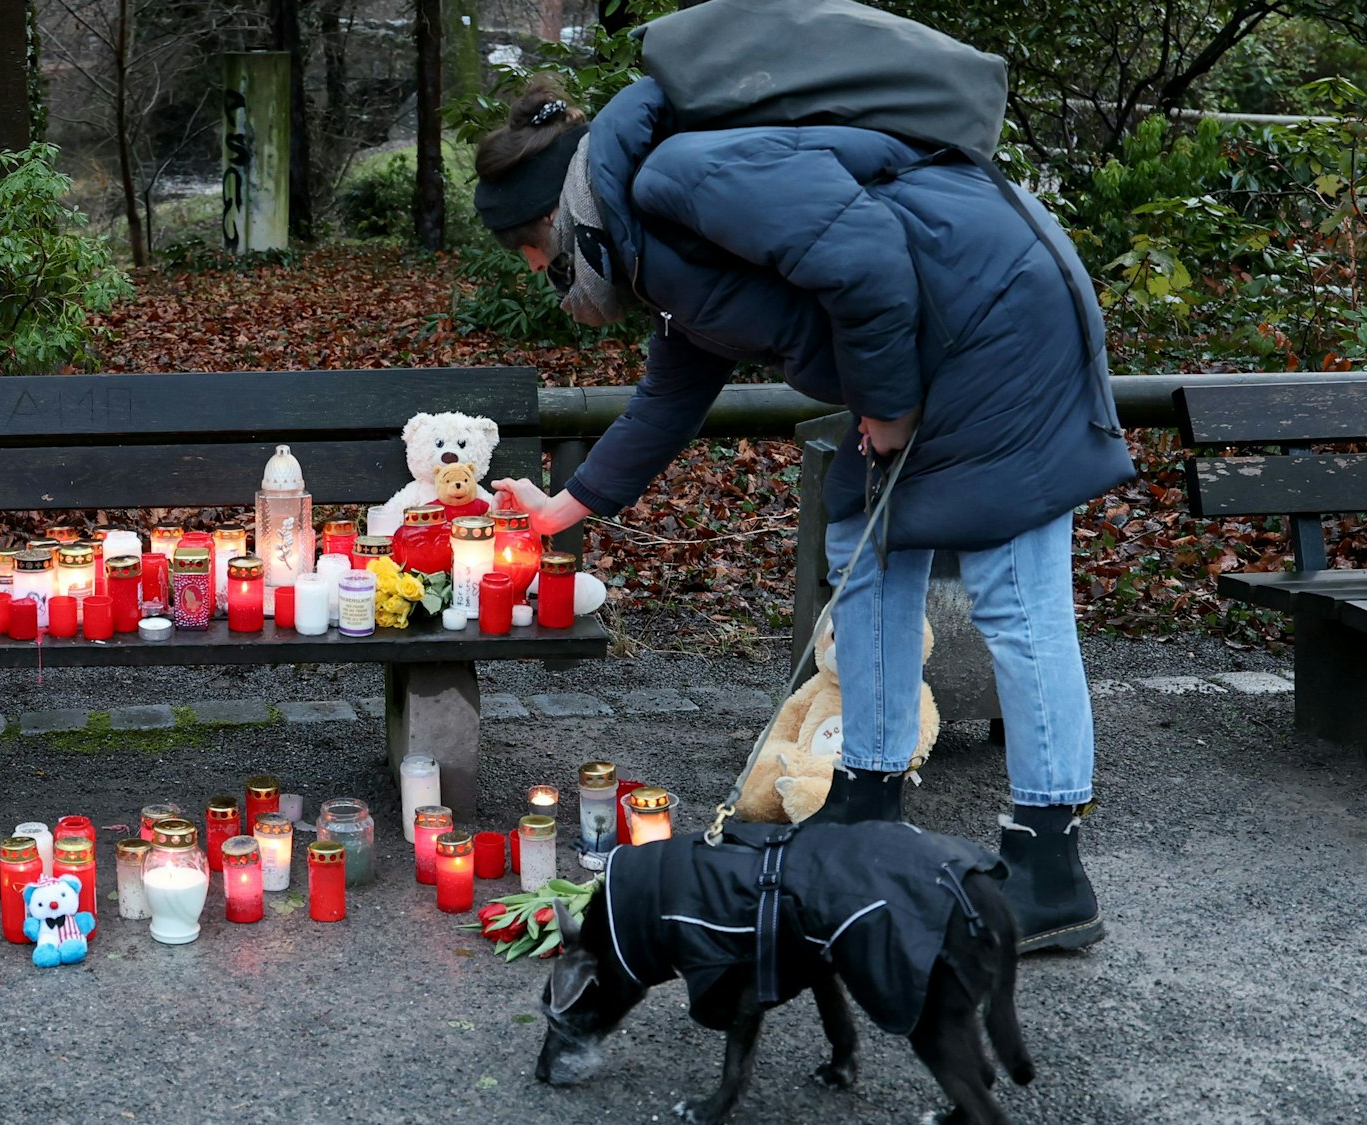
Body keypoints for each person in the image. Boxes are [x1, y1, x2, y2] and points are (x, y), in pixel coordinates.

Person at [474, 76, 1135, 953]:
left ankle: (1051, 870)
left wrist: (889, 405)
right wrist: (563, 506)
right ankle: (864, 809)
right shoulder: (652, 239)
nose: (548, 282)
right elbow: (672, 389)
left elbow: (862, 256)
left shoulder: (684, 179)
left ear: (560, 220)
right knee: (862, 560)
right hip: (920, 340)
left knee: (1015, 594)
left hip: (999, 318)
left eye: (538, 258)